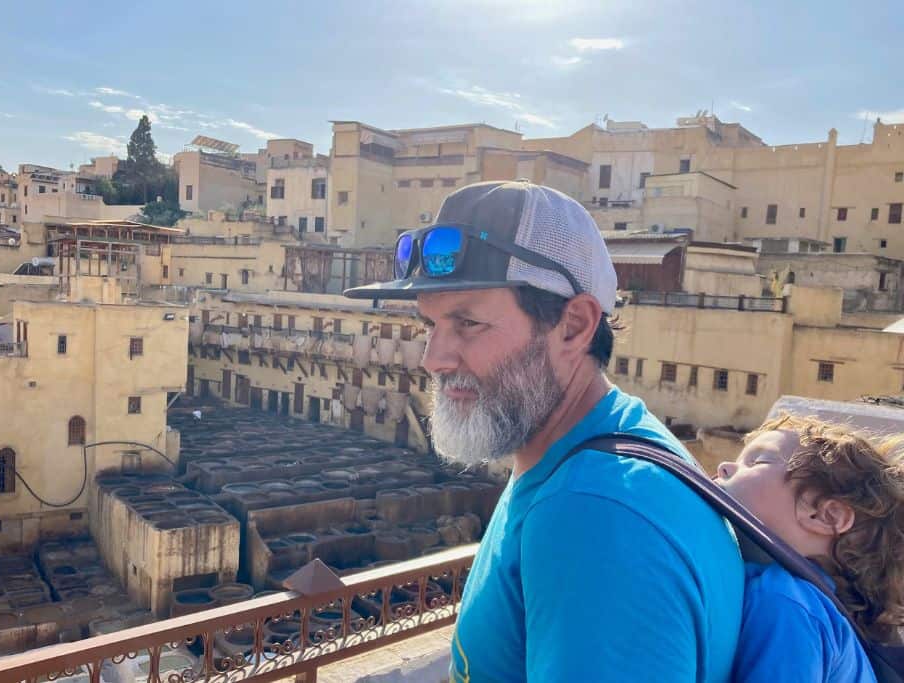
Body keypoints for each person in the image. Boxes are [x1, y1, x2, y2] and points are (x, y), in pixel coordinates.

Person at [344, 181, 744, 682]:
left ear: (573, 326)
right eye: (430, 325)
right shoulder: (588, 454)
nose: (434, 359)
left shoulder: (596, 516)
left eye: (467, 322)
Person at [716, 414, 904, 682]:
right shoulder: (821, 611)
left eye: (758, 461)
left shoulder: (788, 601)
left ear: (825, 516)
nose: (723, 467)